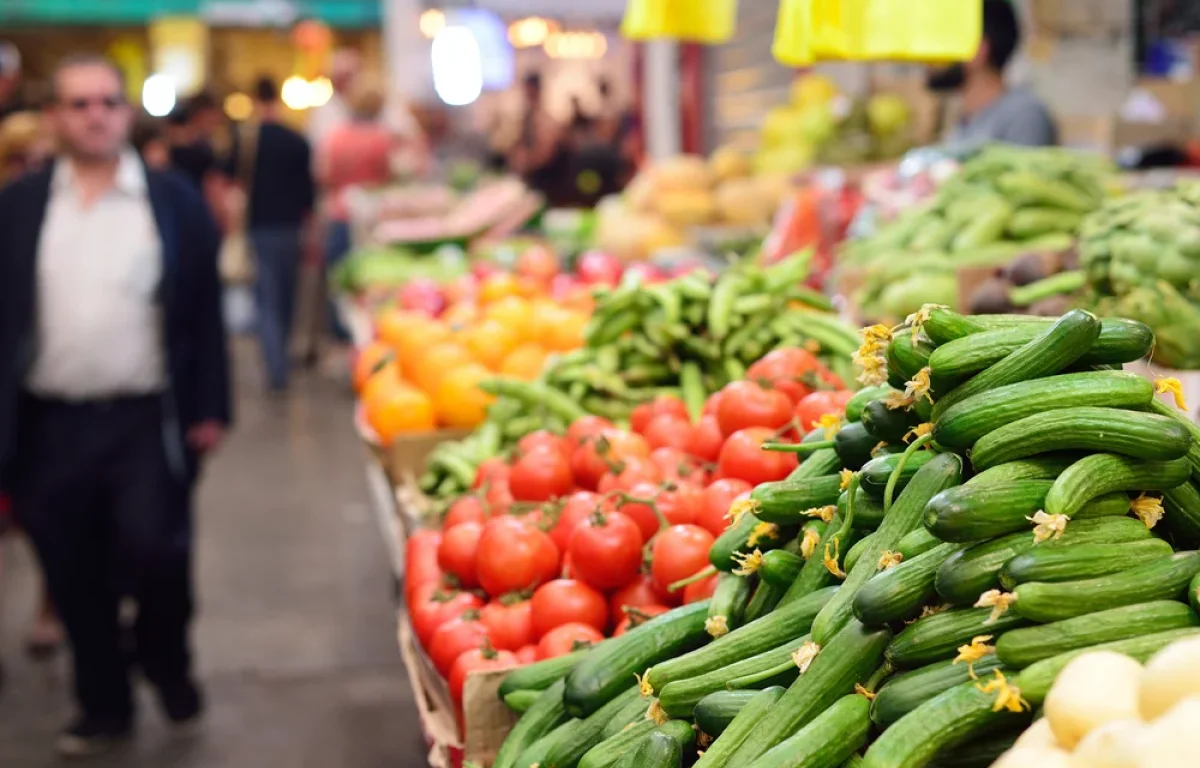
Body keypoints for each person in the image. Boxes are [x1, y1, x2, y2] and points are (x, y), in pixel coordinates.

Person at [0, 54, 230, 756]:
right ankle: (103, 705)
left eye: (106, 101)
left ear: (126, 113)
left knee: (159, 557)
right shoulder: (21, 204)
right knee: (72, 572)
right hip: (50, 423)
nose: (94, 114)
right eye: (78, 103)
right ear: (56, 118)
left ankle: (166, 662)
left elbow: (204, 312)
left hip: (145, 418)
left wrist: (211, 405)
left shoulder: (171, 201)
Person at [228, 75, 315, 393]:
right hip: (290, 228)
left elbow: (232, 183)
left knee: (266, 298)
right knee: (286, 294)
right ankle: (282, 358)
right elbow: (309, 193)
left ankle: (275, 363)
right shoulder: (296, 139)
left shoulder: (247, 140)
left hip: (259, 227)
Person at [316, 74, 393, 348]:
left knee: (340, 282)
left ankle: (340, 335)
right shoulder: (379, 138)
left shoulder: (336, 136)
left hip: (338, 214)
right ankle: (362, 341)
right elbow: (386, 175)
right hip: (369, 219)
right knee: (365, 286)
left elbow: (323, 174)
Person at [927, 0, 1057, 148]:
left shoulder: (1024, 117)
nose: (927, 57)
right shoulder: (966, 119)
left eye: (944, 42)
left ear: (976, 49)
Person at [509, 72, 568, 204]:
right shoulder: (527, 116)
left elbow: (545, 153)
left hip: (548, 183)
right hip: (533, 178)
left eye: (529, 92)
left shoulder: (545, 118)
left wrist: (526, 161)